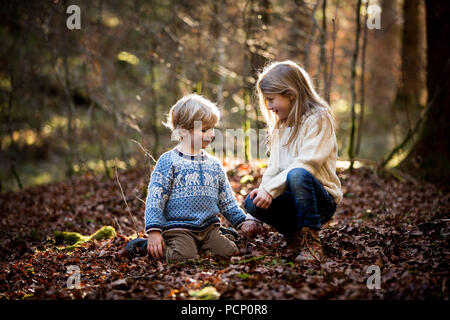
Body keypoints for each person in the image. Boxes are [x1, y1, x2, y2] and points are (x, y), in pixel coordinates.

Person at [127, 93, 253, 261]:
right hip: (178, 228)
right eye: (204, 130)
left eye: (212, 129)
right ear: (183, 131)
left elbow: (226, 200)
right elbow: (155, 199)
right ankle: (144, 246)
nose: (211, 134)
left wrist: (241, 222)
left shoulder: (214, 164)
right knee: (183, 257)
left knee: (229, 252)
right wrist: (154, 231)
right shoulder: (169, 161)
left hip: (208, 228)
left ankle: (222, 235)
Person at [241, 61, 343, 263]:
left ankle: (310, 242)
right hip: (292, 198)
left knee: (297, 174)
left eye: (271, 99)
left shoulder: (319, 118)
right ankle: (294, 235)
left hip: (319, 199)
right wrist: (254, 214)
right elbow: (273, 169)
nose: (269, 107)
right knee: (252, 203)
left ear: (290, 94)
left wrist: (271, 191)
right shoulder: (281, 125)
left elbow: (308, 164)